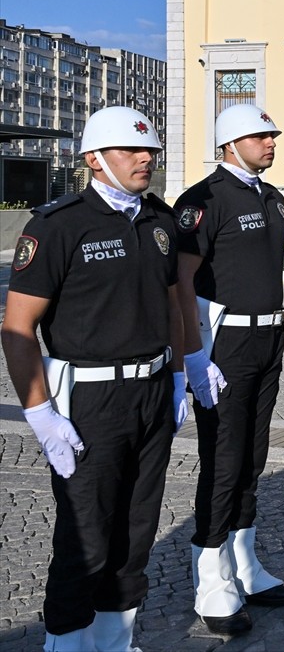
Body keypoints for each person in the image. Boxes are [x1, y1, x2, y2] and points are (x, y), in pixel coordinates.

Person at [1, 106, 186, 651]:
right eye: (132, 150)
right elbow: (17, 326)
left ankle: (115, 642)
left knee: (135, 532)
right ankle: (65, 643)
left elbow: (174, 305)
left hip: (151, 391)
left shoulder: (159, 220)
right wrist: (39, 412)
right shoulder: (58, 224)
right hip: (89, 398)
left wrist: (178, 373)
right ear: (94, 159)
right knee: (86, 535)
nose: (145, 158)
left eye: (150, 150)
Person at [175, 104, 284, 635]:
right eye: (258, 137)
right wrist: (193, 353)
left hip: (268, 334)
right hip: (224, 341)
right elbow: (181, 280)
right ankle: (210, 574)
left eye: (271, 135)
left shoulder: (272, 198)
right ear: (229, 145)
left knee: (254, 453)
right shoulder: (204, 201)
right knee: (223, 457)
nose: (270, 143)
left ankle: (245, 563)